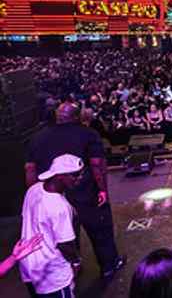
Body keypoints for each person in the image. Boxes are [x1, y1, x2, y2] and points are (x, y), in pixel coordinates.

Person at [24, 102, 126, 280]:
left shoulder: (37, 138)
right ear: (77, 117)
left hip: (52, 195)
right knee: (100, 230)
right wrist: (102, 190)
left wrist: (34, 194)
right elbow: (96, 164)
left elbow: (30, 169)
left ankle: (72, 268)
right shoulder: (88, 134)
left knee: (64, 234)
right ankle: (109, 265)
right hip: (85, 192)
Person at [20, 154, 84, 297]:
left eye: (81, 174)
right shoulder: (59, 206)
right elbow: (65, 244)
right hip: (52, 274)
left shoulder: (33, 189)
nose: (79, 178)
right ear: (60, 176)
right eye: (75, 175)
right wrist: (76, 261)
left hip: (29, 266)